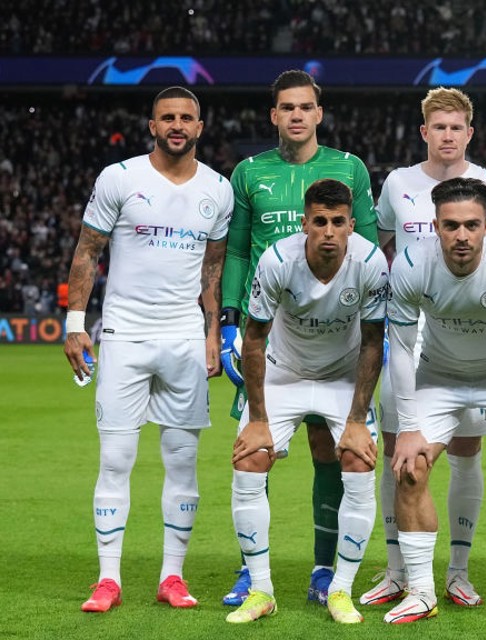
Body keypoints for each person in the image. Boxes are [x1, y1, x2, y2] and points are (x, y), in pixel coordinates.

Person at [64, 86, 233, 612]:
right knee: (115, 458)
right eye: (168, 117)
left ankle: (172, 577)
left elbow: (213, 269)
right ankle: (108, 579)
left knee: (182, 461)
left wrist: (211, 333)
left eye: (186, 117)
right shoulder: (120, 177)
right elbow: (89, 250)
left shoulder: (219, 190)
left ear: (200, 127)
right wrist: (75, 322)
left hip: (183, 337)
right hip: (123, 335)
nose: (177, 125)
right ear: (152, 125)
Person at [219, 69, 379, 606]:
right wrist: (227, 320)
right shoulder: (249, 172)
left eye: (304, 106)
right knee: (254, 444)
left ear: (318, 113)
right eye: (285, 107)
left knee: (327, 448)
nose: (295, 115)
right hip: (274, 327)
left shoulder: (349, 169)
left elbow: (370, 247)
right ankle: (251, 572)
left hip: (338, 330)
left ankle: (323, 568)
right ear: (274, 115)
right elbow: (238, 250)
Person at [361, 87, 486, 609]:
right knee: (398, 451)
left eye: (457, 128)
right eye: (438, 128)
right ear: (424, 132)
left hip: (471, 331)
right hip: (410, 330)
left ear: (470, 133)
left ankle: (459, 570)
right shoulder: (399, 184)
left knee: (468, 452)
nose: (447, 136)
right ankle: (398, 568)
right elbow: (381, 242)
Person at [384, 177, 486, 626]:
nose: (461, 235)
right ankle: (420, 592)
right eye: (451, 225)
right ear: (435, 225)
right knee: (410, 468)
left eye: (472, 225)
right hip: (438, 375)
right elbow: (399, 346)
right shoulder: (412, 263)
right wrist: (410, 427)